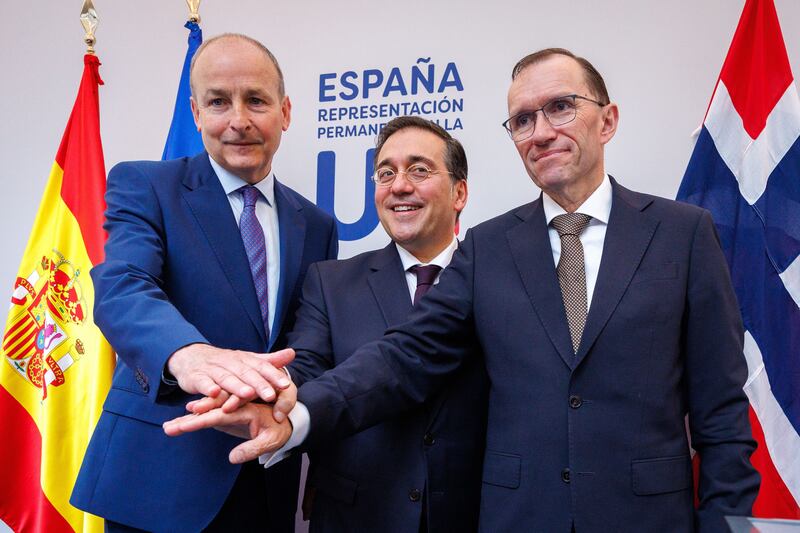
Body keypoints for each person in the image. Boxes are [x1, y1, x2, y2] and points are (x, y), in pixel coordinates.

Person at [167, 48, 760, 532]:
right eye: (522, 120)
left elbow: (721, 410)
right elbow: (405, 355)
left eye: (560, 108)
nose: (541, 131)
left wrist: (726, 524)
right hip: (516, 520)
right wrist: (296, 414)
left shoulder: (684, 234)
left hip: (648, 519)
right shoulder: (490, 247)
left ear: (607, 120)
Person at [70, 33, 338, 532]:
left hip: (265, 475)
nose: (238, 120)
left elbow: (310, 339)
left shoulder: (317, 224)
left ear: (285, 112)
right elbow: (124, 286)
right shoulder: (145, 184)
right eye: (219, 102)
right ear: (195, 113)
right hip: (158, 477)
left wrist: (282, 397)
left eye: (255, 100)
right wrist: (187, 354)